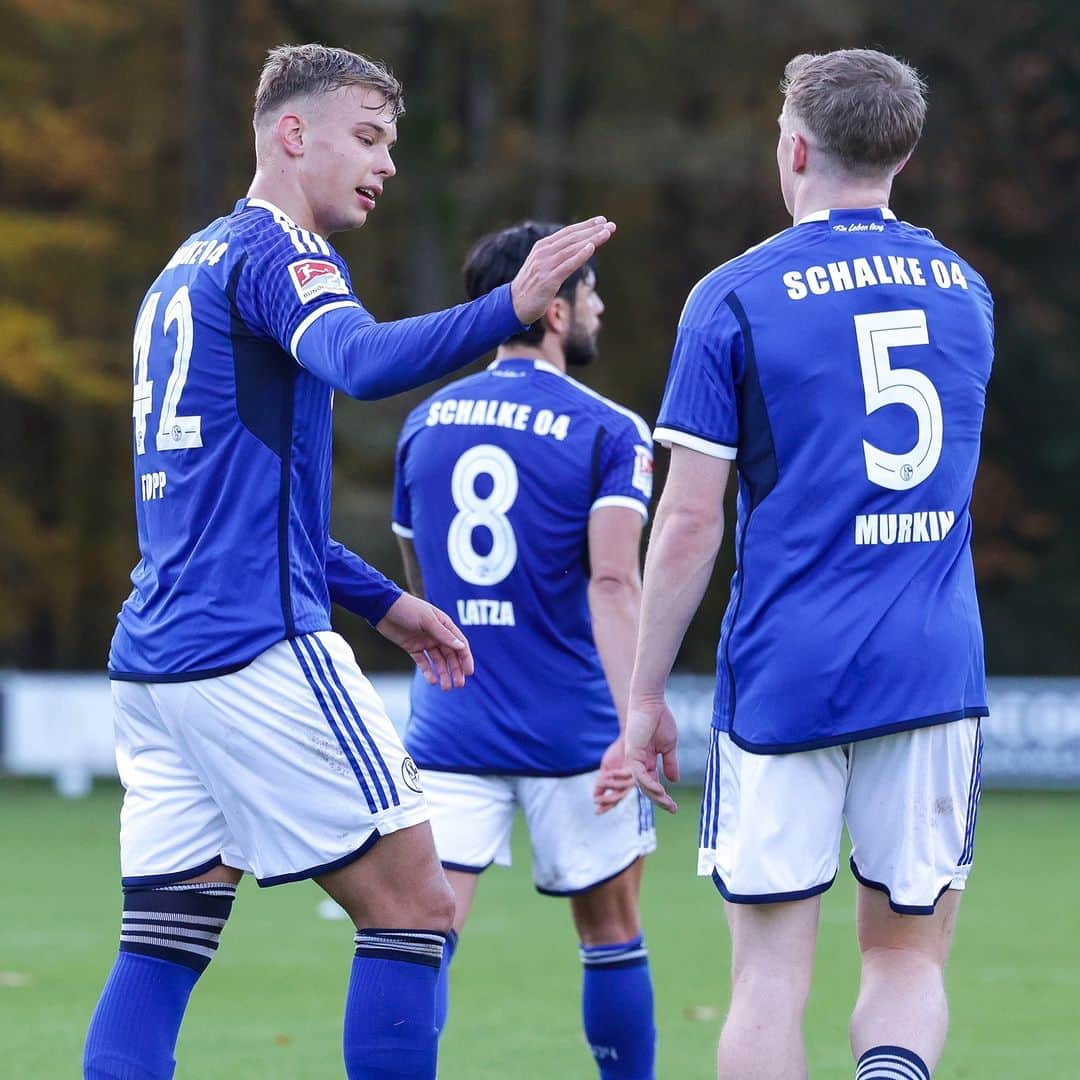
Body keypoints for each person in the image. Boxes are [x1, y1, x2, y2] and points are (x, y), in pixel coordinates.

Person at [85, 44, 614, 1080]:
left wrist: (382, 602)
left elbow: (236, 508)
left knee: (160, 946)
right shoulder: (283, 254)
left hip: (154, 666)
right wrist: (509, 308)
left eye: (392, 145)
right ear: (293, 134)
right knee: (415, 907)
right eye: (367, 138)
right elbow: (362, 363)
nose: (386, 165)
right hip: (251, 652)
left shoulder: (179, 270)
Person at [625, 49, 992, 1080]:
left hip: (788, 666)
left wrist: (644, 694)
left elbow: (690, 522)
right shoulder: (965, 290)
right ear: (904, 150)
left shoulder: (733, 297)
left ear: (792, 148)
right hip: (931, 663)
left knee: (769, 976)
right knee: (907, 958)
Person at [391, 222, 657, 1078]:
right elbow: (613, 584)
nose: (600, 305)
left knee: (421, 939)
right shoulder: (610, 428)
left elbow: (417, 589)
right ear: (552, 308)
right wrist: (635, 718)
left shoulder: (423, 423)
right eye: (590, 292)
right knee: (611, 932)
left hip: (449, 728)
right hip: (575, 730)